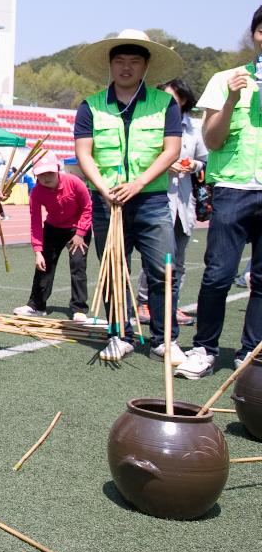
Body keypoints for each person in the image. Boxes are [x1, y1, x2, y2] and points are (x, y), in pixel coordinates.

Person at [73, 29, 184, 363]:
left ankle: (165, 339)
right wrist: (104, 189)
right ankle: (120, 335)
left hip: (150, 200)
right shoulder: (90, 105)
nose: (126, 67)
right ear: (110, 64)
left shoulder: (164, 103)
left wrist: (138, 184)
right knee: (113, 270)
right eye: (119, 60)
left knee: (163, 270)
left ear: (146, 66)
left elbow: (172, 150)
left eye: (134, 61)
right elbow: (83, 153)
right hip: (107, 202)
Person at [186, 7, 262, 379]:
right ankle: (204, 348)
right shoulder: (225, 79)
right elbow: (213, 140)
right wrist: (232, 100)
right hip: (234, 187)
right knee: (218, 274)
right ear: (254, 35)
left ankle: (251, 352)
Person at [135, 79, 206, 330]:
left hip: (183, 201)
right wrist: (165, 162)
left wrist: (191, 165)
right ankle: (144, 302)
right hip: (156, 197)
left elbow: (203, 159)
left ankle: (171, 304)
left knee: (179, 259)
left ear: (183, 101)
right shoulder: (151, 122)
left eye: (172, 100)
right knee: (157, 258)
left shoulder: (193, 128)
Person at [12, 153, 93, 321]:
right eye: (41, 174)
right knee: (44, 265)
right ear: (35, 175)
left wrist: (80, 233)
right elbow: (35, 222)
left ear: (57, 169)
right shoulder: (36, 193)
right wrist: (38, 251)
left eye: (49, 173)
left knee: (78, 264)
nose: (46, 177)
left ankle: (79, 308)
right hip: (53, 228)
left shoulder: (74, 182)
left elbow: (87, 207)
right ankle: (36, 306)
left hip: (77, 228)